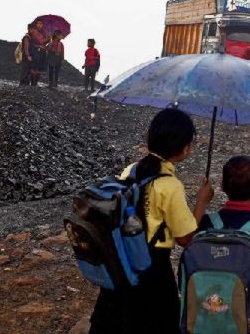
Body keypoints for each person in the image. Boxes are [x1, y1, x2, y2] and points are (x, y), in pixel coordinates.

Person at [88, 108, 214, 334]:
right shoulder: (170, 186)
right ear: (184, 148)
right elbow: (185, 238)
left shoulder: (130, 170)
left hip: (122, 263)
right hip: (152, 271)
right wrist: (202, 202)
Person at [197, 155, 250, 333]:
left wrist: (202, 200)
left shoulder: (206, 223)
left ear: (222, 186)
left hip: (206, 310)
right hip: (244, 315)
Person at [30, 19, 50, 86]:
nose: (39, 25)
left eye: (41, 24)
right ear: (36, 24)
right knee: (34, 67)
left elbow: (45, 43)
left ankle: (35, 83)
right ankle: (33, 83)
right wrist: (47, 39)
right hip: (36, 51)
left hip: (42, 51)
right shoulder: (34, 32)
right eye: (38, 24)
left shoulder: (43, 33)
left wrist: (49, 38)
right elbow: (40, 41)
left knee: (39, 68)